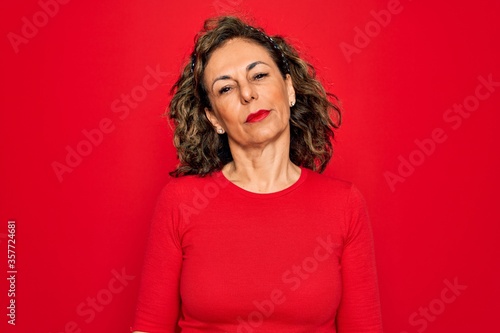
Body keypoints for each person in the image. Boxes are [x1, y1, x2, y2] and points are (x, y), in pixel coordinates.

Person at [131, 15, 383, 333]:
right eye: (226, 88)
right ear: (215, 118)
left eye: (259, 75)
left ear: (289, 88)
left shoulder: (344, 204)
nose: (247, 94)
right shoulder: (180, 201)